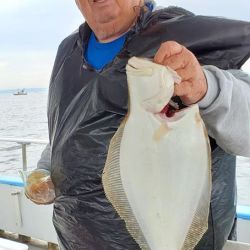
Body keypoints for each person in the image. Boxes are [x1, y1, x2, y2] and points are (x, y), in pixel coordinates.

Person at [31, 0, 250, 249]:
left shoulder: (182, 37)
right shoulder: (68, 52)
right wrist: (46, 168)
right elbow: (67, 130)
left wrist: (205, 87)